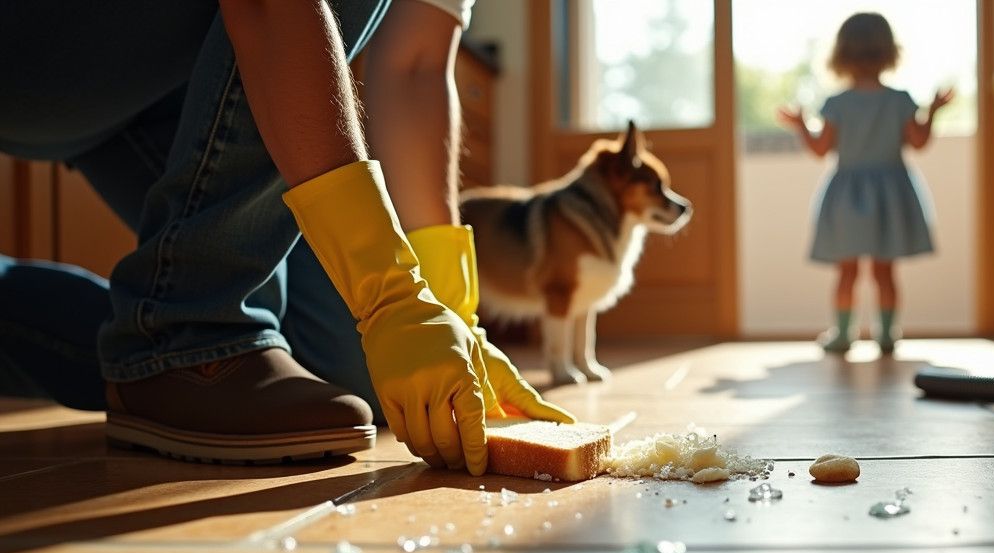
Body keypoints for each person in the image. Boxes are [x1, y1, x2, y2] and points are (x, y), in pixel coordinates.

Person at [0, 0, 572, 472]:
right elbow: (272, 8)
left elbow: (417, 65)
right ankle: (188, 336)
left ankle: (158, 349)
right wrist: (389, 292)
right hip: (45, 40)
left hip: (165, 82)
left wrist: (448, 309)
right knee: (225, 342)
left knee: (351, 371)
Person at [777, 12, 952, 355]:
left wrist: (800, 124)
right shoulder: (899, 100)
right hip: (892, 194)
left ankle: (843, 335)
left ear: (841, 54)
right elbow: (918, 142)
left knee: (847, 272)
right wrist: (932, 112)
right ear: (889, 52)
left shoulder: (837, 104)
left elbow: (820, 148)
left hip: (847, 197)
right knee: (885, 272)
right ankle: (887, 335)